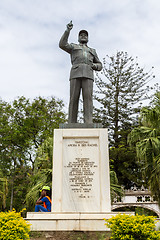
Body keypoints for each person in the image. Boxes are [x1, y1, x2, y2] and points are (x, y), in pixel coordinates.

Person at [59, 21, 102, 124]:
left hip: (88, 74)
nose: (83, 36)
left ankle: (88, 122)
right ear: (78, 37)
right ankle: (71, 122)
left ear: (88, 38)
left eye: (85, 35)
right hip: (75, 73)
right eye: (81, 35)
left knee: (88, 99)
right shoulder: (73, 47)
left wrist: (94, 66)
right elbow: (62, 44)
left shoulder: (92, 50)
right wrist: (67, 31)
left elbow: (100, 65)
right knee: (74, 98)